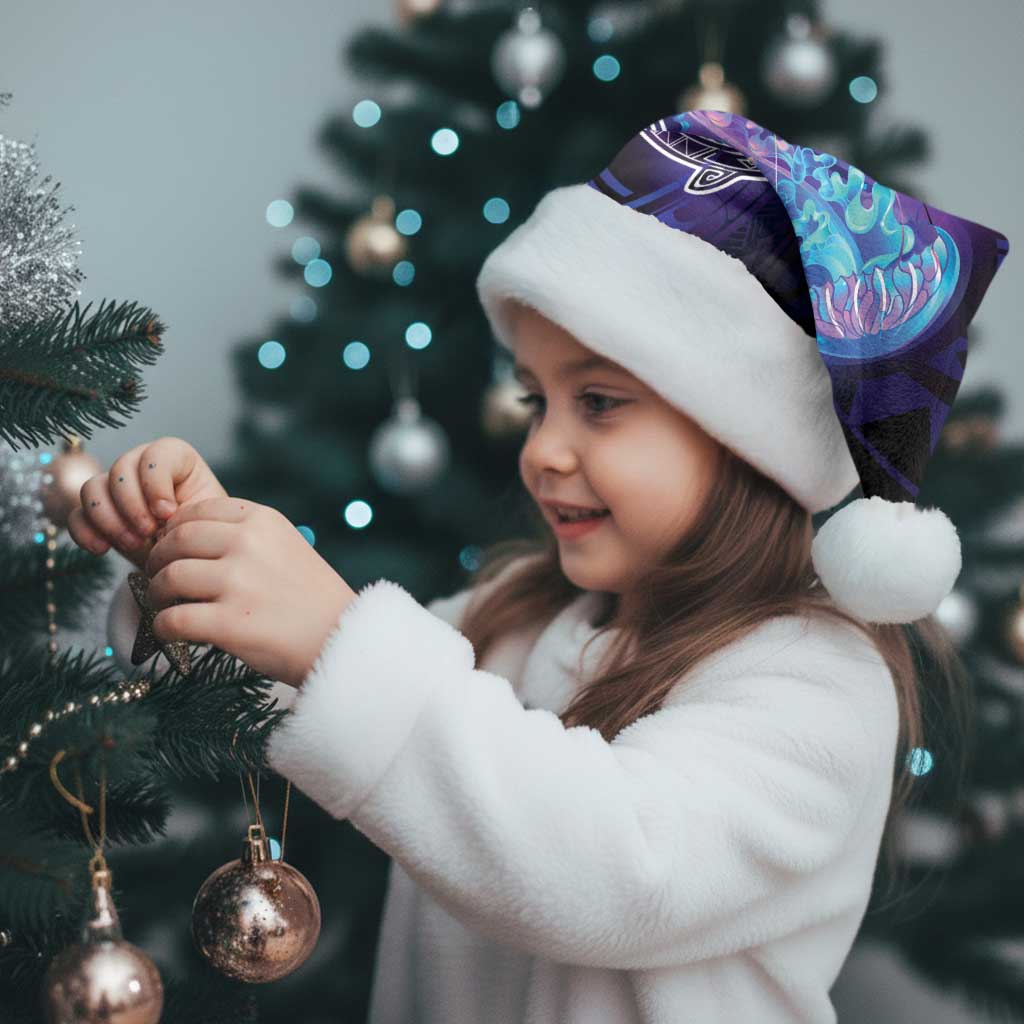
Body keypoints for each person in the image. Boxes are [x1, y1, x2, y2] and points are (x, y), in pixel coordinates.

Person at [75, 109, 1009, 1023]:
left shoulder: (818, 683)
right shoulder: (515, 616)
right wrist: (191, 564)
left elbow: (614, 871)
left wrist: (335, 635)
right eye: (536, 401)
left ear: (748, 439)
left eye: (598, 402)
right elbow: (305, 690)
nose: (543, 450)